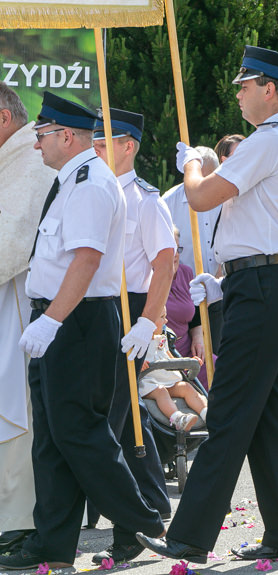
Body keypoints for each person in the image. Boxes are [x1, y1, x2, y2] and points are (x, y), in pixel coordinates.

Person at [136, 45, 278, 563]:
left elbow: (200, 197)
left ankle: (188, 535)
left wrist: (193, 164)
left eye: (245, 84)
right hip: (259, 282)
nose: (238, 92)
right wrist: (225, 280)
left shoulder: (270, 138)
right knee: (268, 413)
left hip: (263, 285)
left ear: (269, 89)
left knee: (232, 410)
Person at [0, 92, 165, 570]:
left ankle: (143, 520)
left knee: (80, 434)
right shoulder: (70, 180)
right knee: (52, 438)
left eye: (43, 135)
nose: (36, 145)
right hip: (59, 317)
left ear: (66, 136)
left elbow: (87, 259)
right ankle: (52, 543)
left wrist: (51, 319)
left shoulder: (91, 183)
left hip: (77, 320)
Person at [90, 108, 175, 562]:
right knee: (117, 423)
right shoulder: (94, 193)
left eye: (104, 143)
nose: (95, 150)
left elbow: (166, 260)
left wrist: (150, 321)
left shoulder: (145, 200)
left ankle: (136, 523)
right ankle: (149, 508)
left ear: (128, 146)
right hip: (100, 309)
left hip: (132, 312)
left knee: (118, 423)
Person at [0, 83, 54, 554]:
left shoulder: (28, 162)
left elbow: (9, 244)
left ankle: (19, 520)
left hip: (20, 308)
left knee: (16, 412)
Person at [162, 143, 226, 355]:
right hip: (184, 295)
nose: (207, 187)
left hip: (219, 291)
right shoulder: (168, 202)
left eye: (212, 180)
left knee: (220, 354)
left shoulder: (227, 199)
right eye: (202, 179)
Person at [166, 228, 213, 388]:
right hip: (163, 355)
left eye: (178, 248)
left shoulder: (186, 272)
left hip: (189, 351)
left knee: (220, 368)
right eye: (170, 248)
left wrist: (199, 338)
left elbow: (195, 315)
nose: (175, 254)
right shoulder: (145, 278)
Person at [138, 328, 208, 432]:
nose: (165, 321)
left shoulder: (162, 339)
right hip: (149, 383)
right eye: (162, 317)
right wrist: (137, 362)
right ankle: (178, 419)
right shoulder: (138, 341)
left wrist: (186, 363)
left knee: (186, 386)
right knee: (161, 391)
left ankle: (207, 414)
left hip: (167, 380)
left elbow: (170, 360)